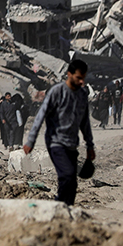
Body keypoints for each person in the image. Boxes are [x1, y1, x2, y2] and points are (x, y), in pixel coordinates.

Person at [24, 59, 95, 206]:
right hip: (55, 142)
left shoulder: (82, 94)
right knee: (67, 175)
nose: (82, 82)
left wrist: (90, 145)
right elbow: (41, 115)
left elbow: (85, 122)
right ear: (69, 74)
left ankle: (66, 210)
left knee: (72, 183)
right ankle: (58, 207)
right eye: (78, 78)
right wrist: (31, 141)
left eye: (83, 78)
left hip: (71, 143)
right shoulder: (57, 92)